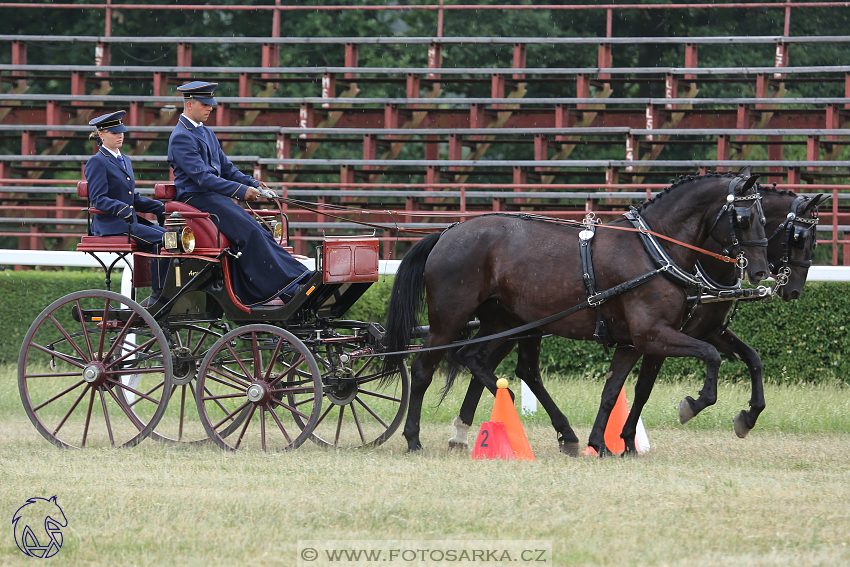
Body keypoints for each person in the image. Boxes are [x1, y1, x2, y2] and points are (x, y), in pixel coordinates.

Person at [167, 81, 311, 307]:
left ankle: (296, 279)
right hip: (197, 199)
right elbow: (203, 178)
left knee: (261, 231)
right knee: (250, 233)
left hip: (215, 198)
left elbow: (228, 169)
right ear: (189, 104)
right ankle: (280, 288)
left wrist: (255, 184)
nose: (210, 108)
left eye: (210, 104)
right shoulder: (181, 136)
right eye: (205, 104)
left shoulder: (206, 133)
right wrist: (242, 191)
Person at [84, 110, 168, 303]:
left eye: (121, 131)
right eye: (114, 132)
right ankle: (158, 294)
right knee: (164, 240)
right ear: (101, 135)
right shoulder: (97, 162)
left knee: (172, 236)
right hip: (111, 224)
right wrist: (123, 210)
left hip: (129, 220)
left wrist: (157, 206)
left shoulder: (125, 160)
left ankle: (167, 290)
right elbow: (98, 199)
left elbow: (132, 197)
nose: (120, 135)